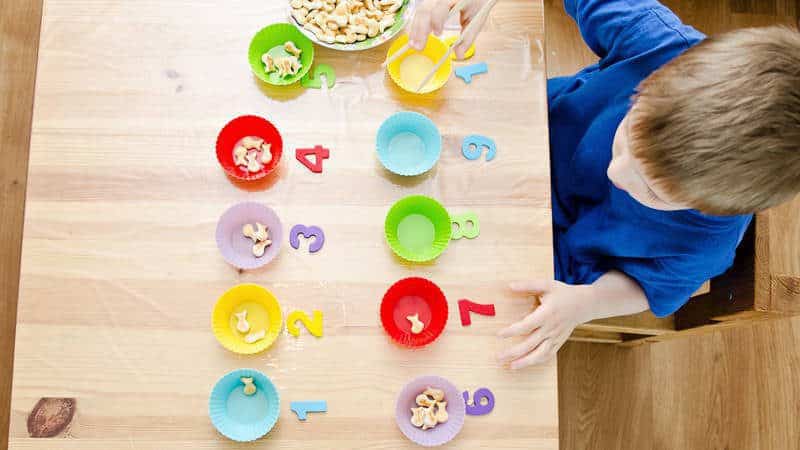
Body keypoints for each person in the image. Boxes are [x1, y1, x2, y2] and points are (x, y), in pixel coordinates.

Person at [409, 0, 800, 369]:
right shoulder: (659, 46)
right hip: (523, 134)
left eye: (652, 191)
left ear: (710, 208)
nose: (618, 173)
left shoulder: (705, 244)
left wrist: (587, 303)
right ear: (653, 83)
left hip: (553, 257)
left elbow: (647, 288)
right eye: (627, 135)